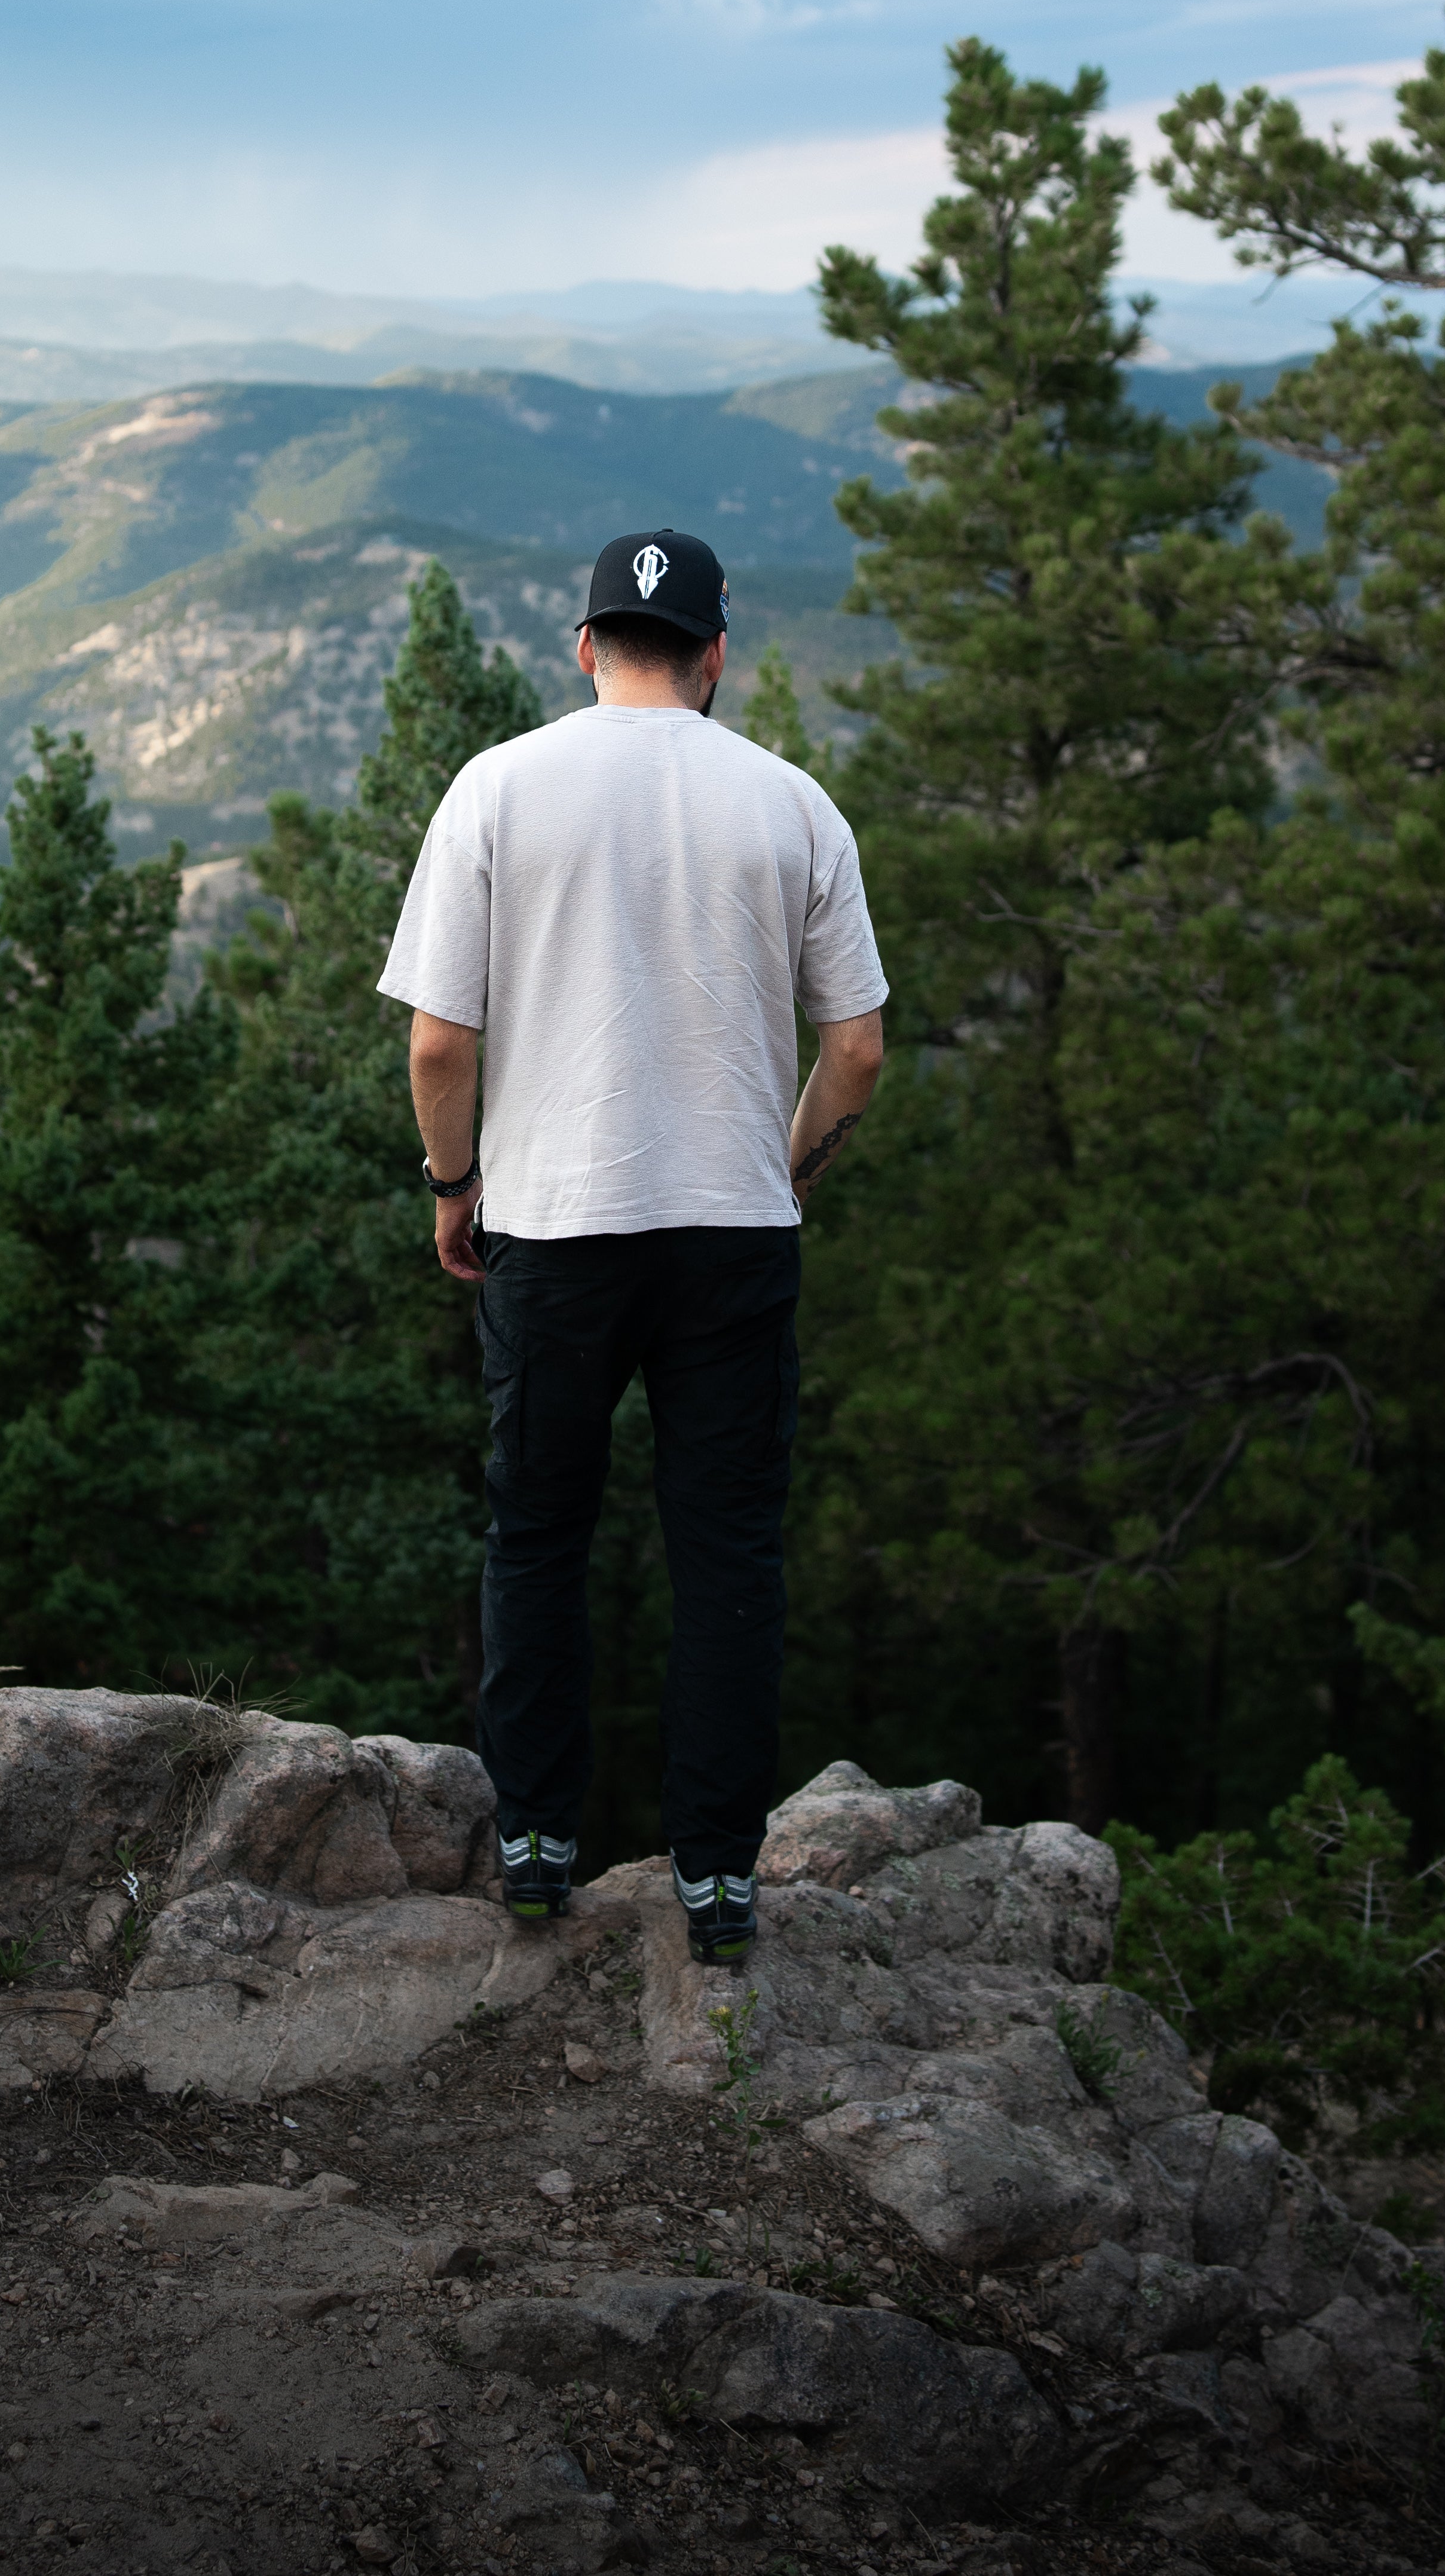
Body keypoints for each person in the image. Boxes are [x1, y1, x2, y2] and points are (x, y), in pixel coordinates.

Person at [377, 525, 887, 1966]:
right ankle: (718, 1878)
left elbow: (434, 1039)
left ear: (587, 646)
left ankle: (535, 1846)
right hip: (730, 1233)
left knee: (536, 1537)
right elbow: (853, 1050)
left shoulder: (497, 788)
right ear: (716, 655)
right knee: (725, 1551)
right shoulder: (792, 804)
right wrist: (777, 1167)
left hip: (556, 1227)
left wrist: (451, 1182)